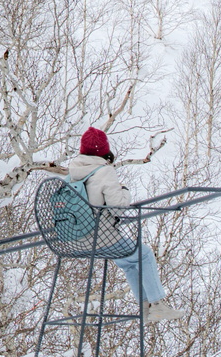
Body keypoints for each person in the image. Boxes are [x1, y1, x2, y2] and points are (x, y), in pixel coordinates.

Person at [67, 128, 181, 321]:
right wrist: (125, 191)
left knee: (128, 261)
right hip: (100, 239)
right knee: (144, 254)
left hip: (72, 240)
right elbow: (118, 208)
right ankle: (158, 305)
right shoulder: (104, 171)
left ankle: (146, 308)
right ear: (104, 151)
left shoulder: (72, 173)